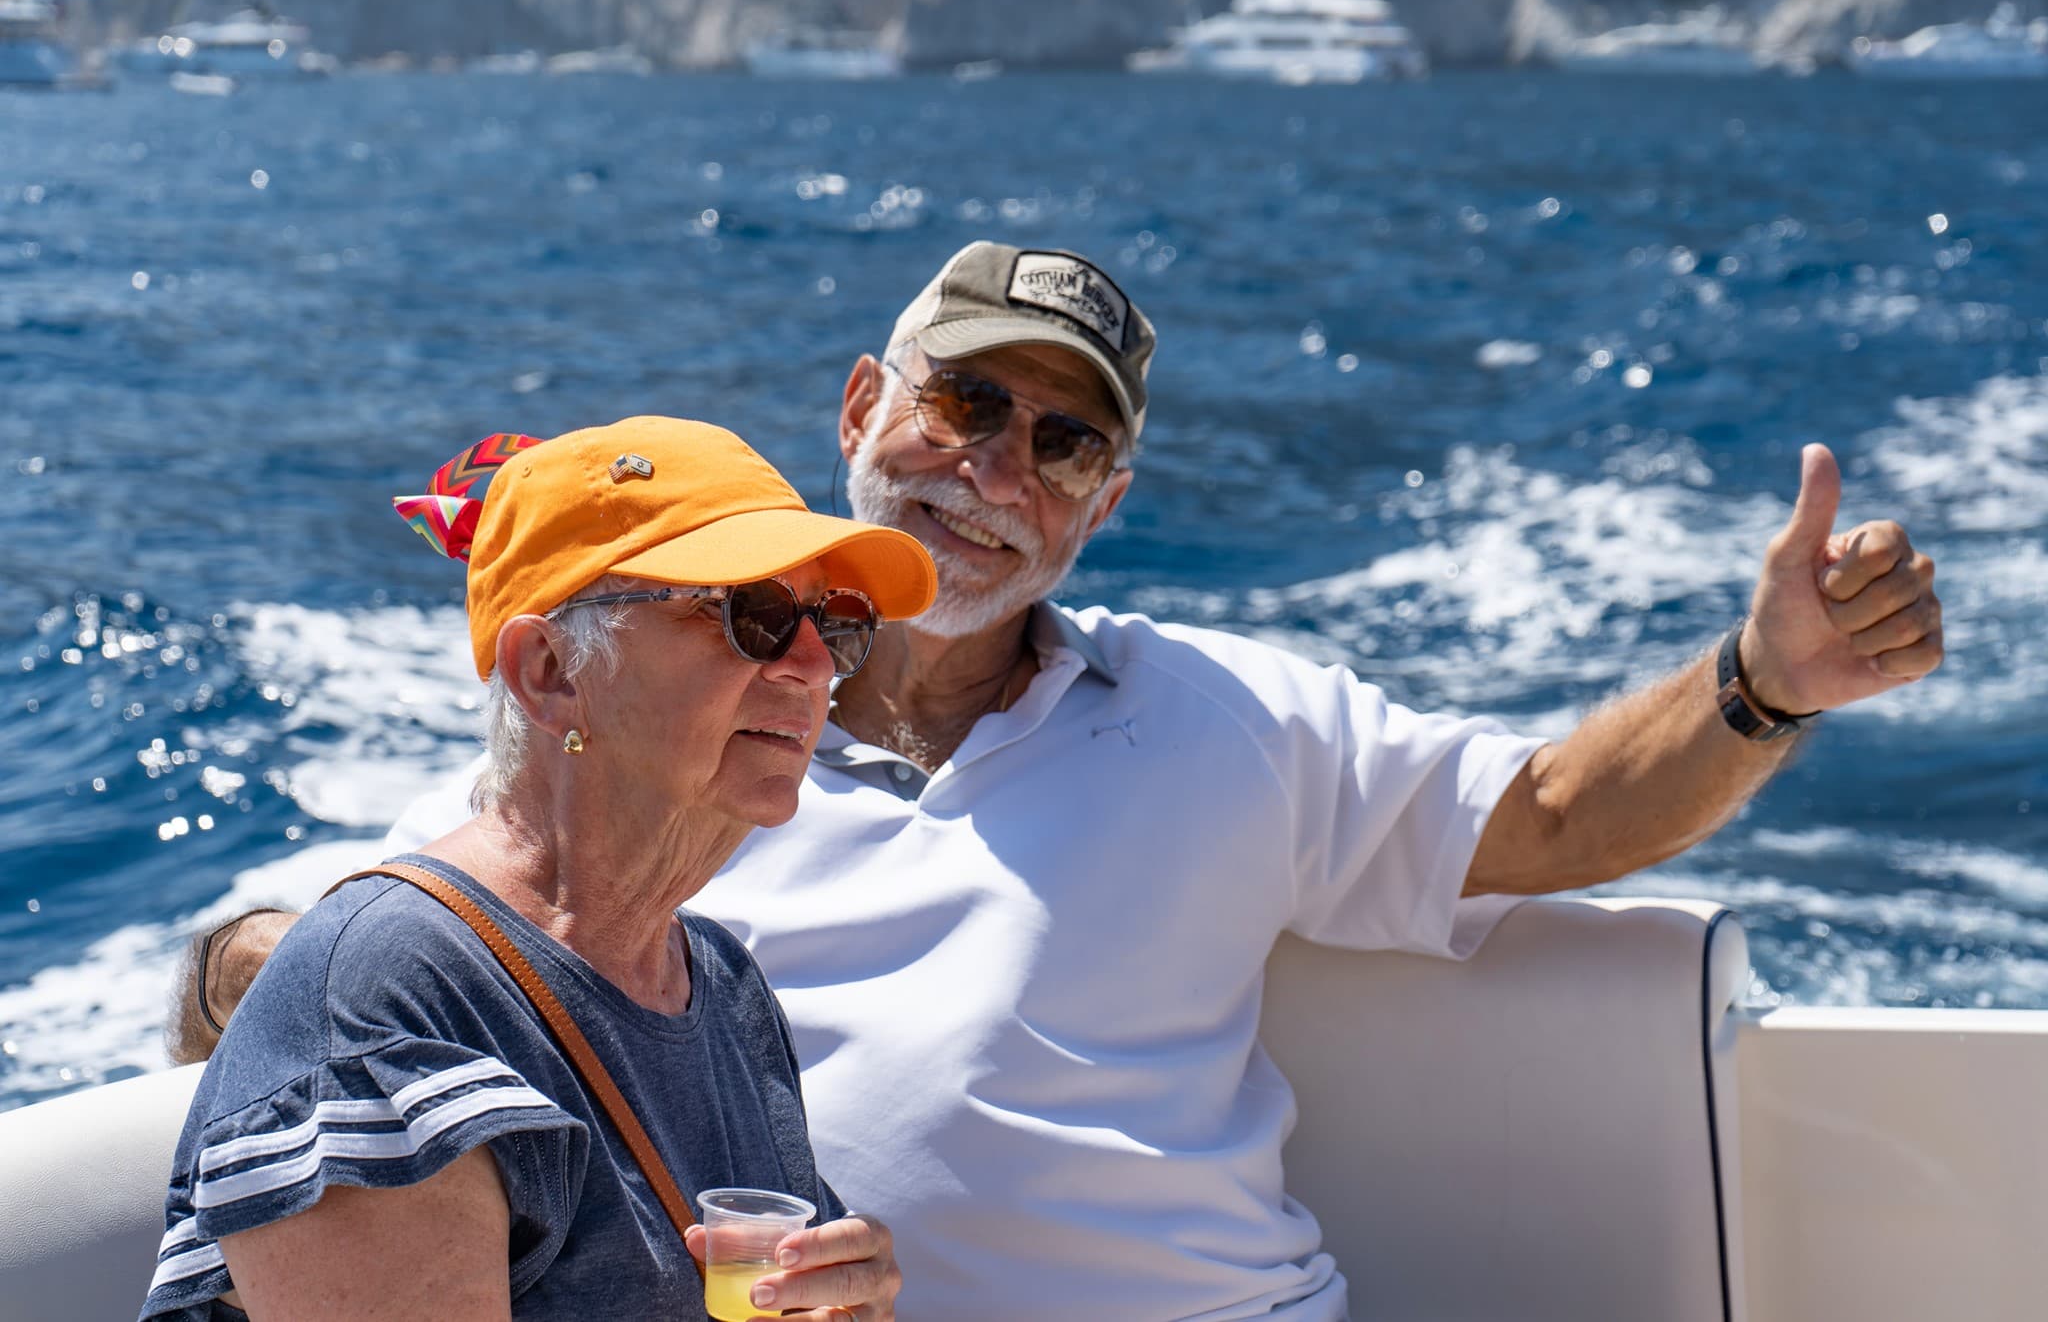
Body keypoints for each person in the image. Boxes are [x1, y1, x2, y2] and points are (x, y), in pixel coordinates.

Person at [182, 242, 1943, 1319]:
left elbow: (1546, 818)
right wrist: (251, 967)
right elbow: (413, 942)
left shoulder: (1226, 719)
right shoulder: (662, 749)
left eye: (1062, 440)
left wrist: (1761, 685)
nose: (993, 469)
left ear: (1101, 504)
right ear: (865, 404)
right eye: (959, 406)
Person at [145, 417, 934, 1321]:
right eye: (748, 615)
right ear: (551, 669)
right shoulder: (390, 1005)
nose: (812, 664)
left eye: (835, 623)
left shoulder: (720, 981)